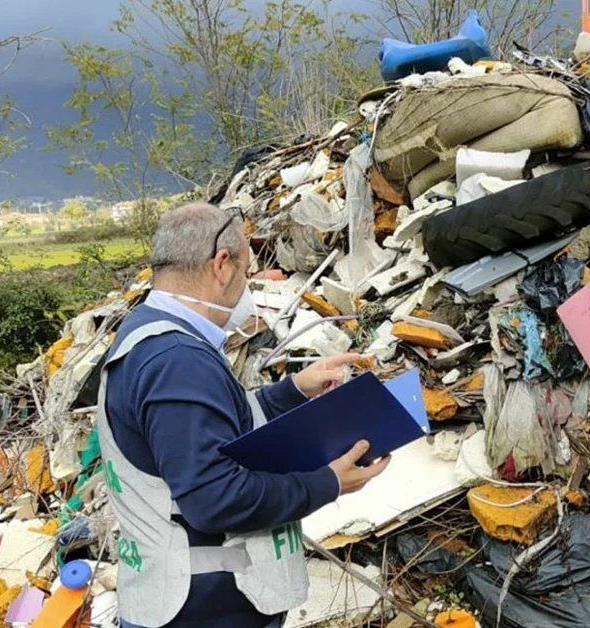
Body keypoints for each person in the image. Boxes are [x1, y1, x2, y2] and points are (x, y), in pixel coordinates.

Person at [100, 203, 390, 628]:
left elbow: (213, 429)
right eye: (247, 273)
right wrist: (326, 483)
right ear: (221, 264)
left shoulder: (150, 333)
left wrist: (291, 391)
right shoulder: (177, 359)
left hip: (193, 602)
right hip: (205, 609)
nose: (247, 288)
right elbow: (213, 499)